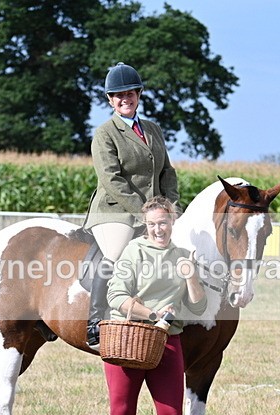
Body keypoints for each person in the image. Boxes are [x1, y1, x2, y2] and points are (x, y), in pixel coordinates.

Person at [99, 196, 206, 415]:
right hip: (130, 339)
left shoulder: (184, 255)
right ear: (145, 226)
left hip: (167, 342)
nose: (158, 229)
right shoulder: (135, 251)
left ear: (172, 221)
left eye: (163, 222)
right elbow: (116, 294)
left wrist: (190, 275)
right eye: (152, 224)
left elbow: (197, 306)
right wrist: (153, 313)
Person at [83, 62, 180, 350]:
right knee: (115, 255)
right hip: (115, 210)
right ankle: (94, 321)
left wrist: (171, 206)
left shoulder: (152, 129)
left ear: (139, 95)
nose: (126, 99)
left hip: (155, 211)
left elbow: (167, 172)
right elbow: (111, 178)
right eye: (119, 95)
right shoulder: (105, 133)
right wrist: (144, 212)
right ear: (110, 100)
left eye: (130, 93)